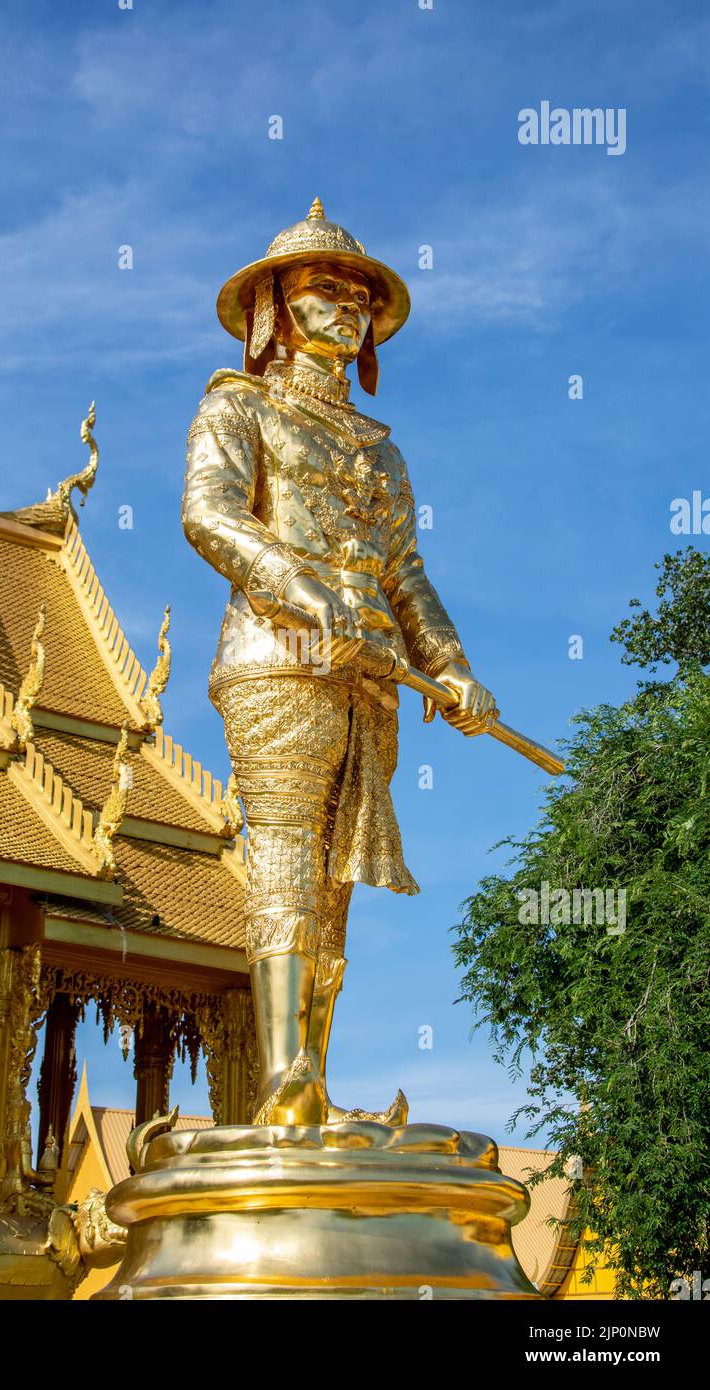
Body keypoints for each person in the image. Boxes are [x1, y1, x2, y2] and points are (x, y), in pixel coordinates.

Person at [182, 199, 498, 1126]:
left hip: (370, 677)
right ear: (275, 305)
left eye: (361, 295)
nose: (349, 306)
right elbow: (211, 514)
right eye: (327, 288)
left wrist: (453, 666)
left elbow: (404, 572)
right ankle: (283, 1085)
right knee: (283, 861)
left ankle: (310, 1080)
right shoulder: (236, 406)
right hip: (278, 661)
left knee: (332, 884)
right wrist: (302, 588)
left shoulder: (380, 449)